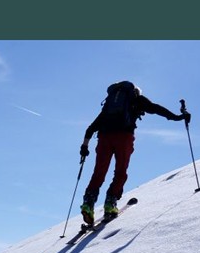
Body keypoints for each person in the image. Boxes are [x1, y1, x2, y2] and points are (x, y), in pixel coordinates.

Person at [79, 81, 191, 225]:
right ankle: (110, 203)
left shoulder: (108, 107)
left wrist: (84, 146)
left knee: (99, 172)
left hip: (104, 138)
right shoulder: (137, 99)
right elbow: (156, 108)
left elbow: (91, 128)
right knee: (120, 172)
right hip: (124, 138)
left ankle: (88, 204)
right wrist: (177, 117)